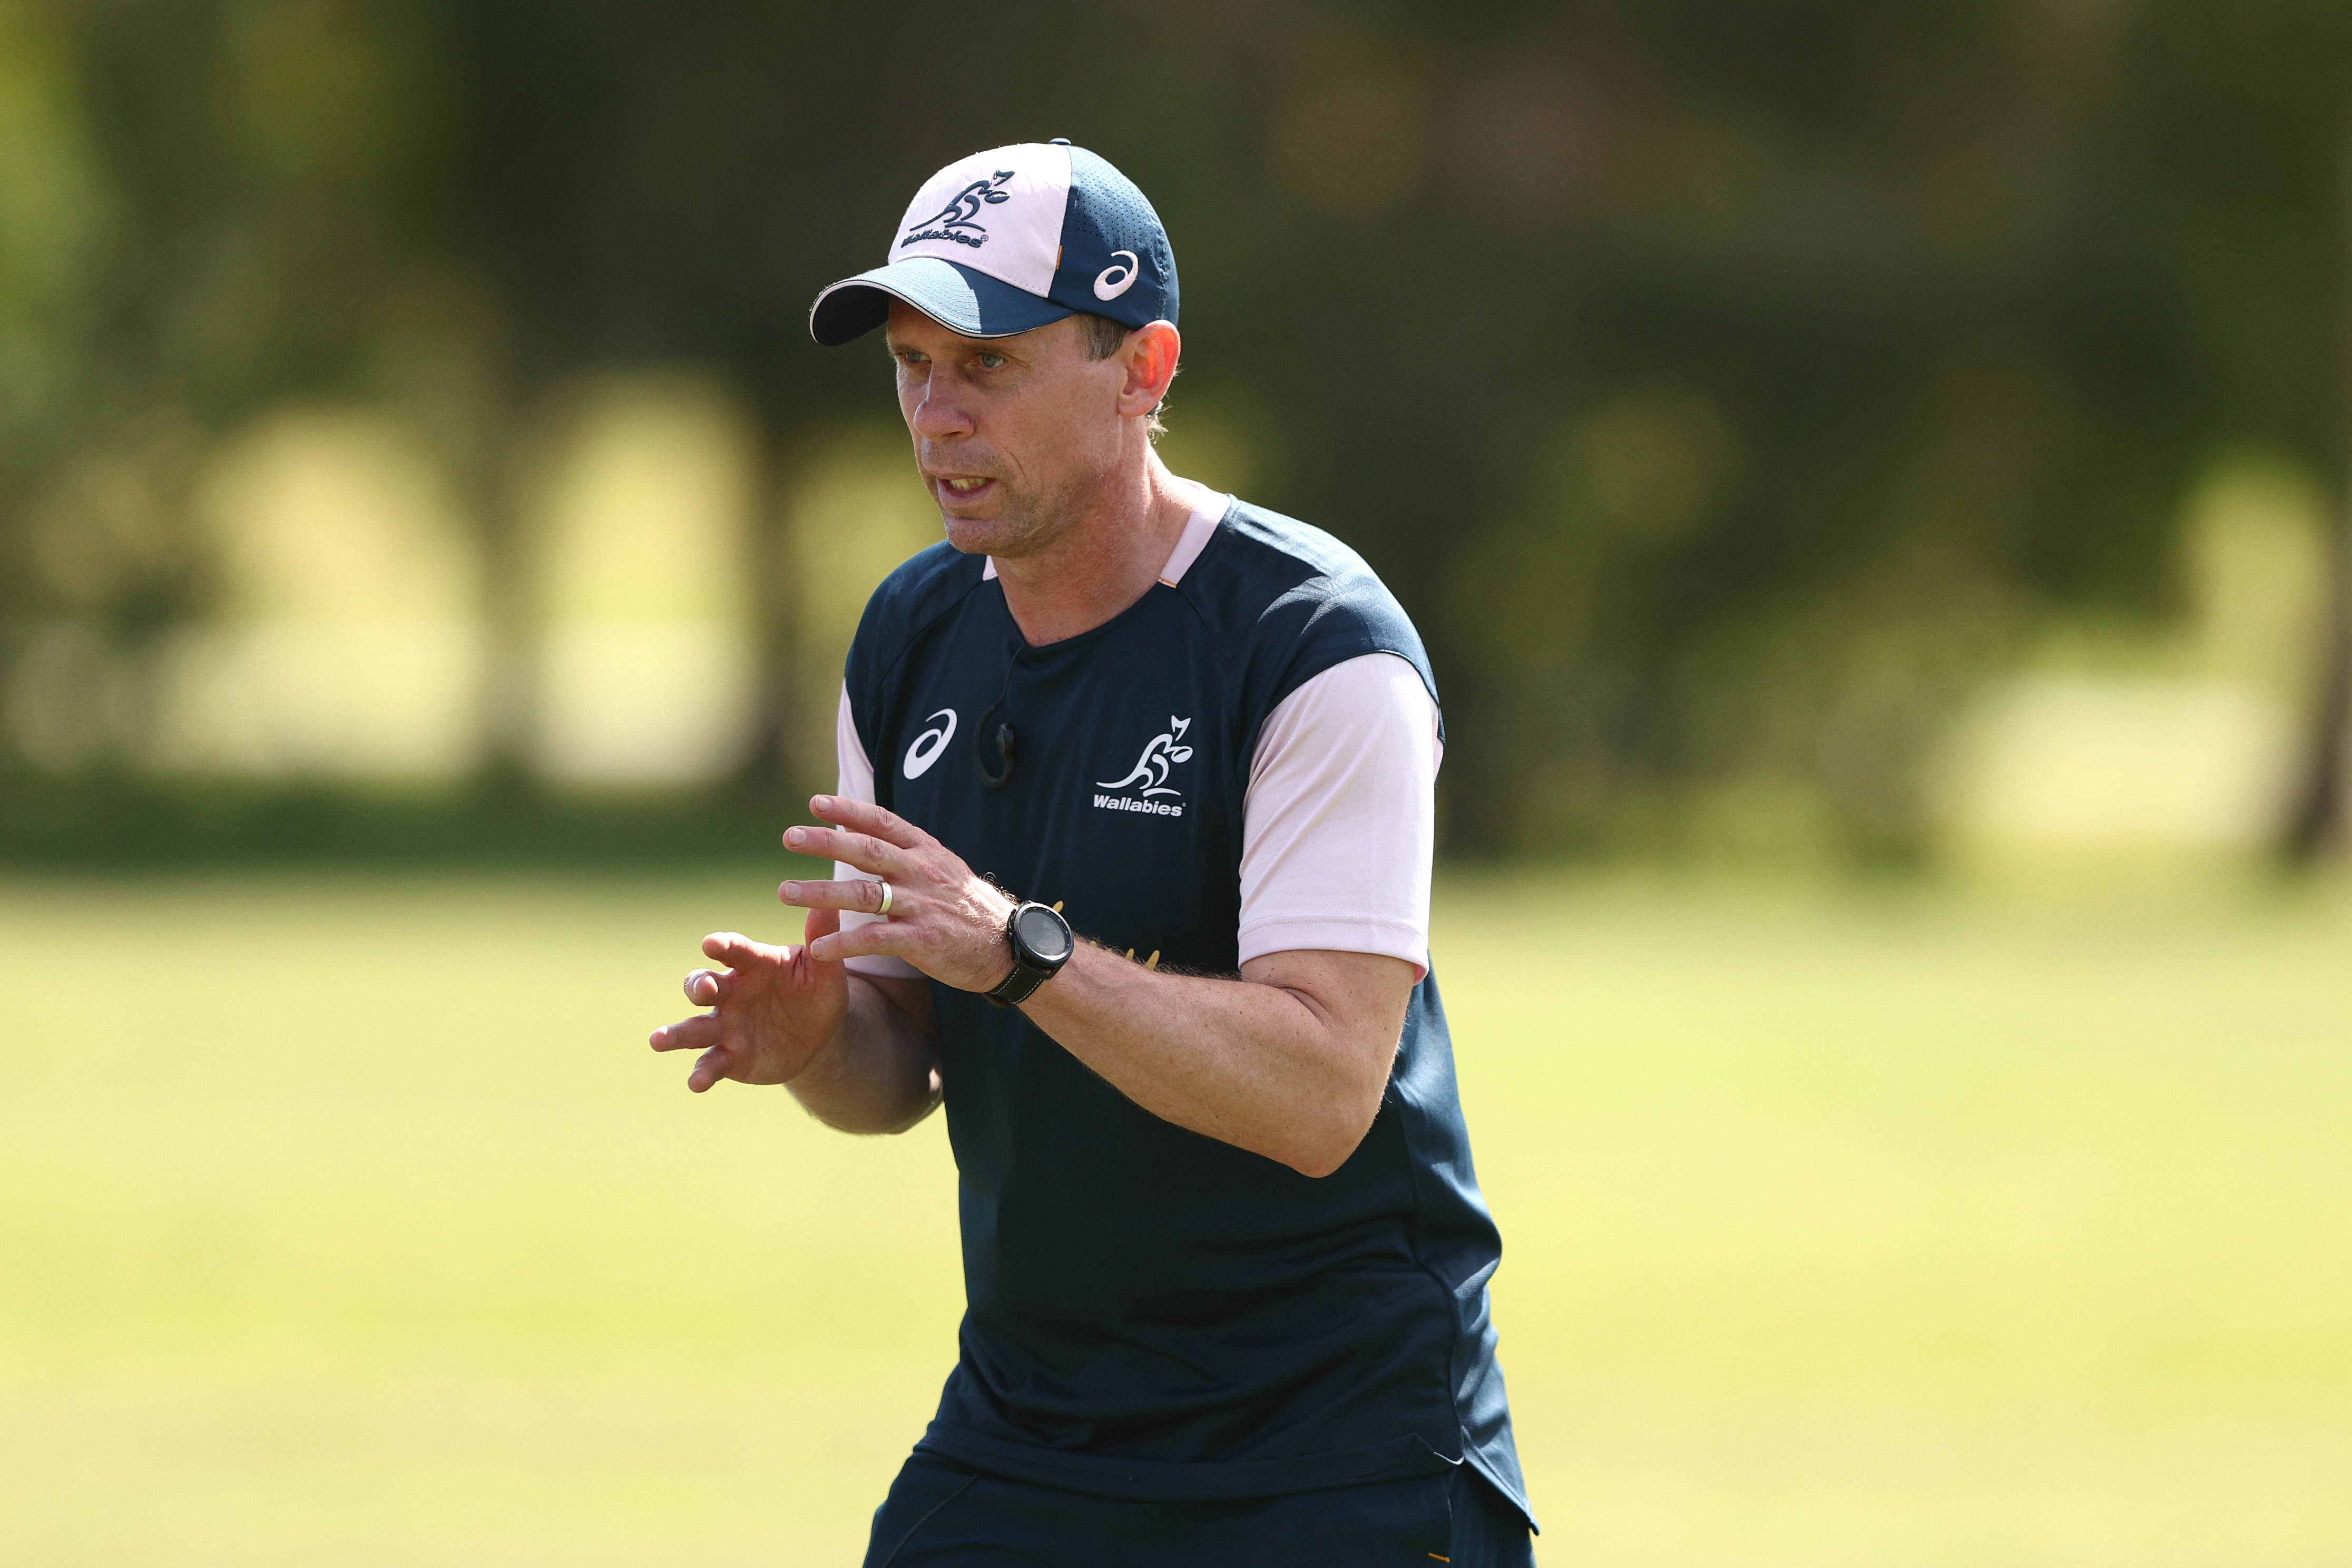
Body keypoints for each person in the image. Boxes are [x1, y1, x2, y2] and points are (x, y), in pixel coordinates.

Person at [650, 140, 1536, 1566]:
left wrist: (1017, 947)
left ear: (1144, 369)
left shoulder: (1314, 649)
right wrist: (828, 1037)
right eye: (910, 365)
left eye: (986, 367)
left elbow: (1319, 1093)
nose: (936, 418)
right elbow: (906, 1069)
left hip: (1335, 1452)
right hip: (1032, 1430)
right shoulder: (909, 639)